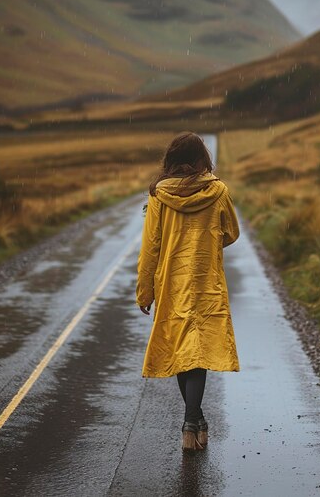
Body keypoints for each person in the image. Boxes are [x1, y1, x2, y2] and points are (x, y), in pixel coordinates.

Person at [135, 131, 240, 452]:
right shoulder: (218, 191)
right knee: (198, 353)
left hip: (172, 282)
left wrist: (145, 291)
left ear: (172, 160)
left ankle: (191, 421)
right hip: (206, 281)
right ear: (201, 159)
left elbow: (150, 247)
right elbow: (232, 232)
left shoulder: (159, 195)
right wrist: (207, 243)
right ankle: (194, 420)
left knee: (183, 351)